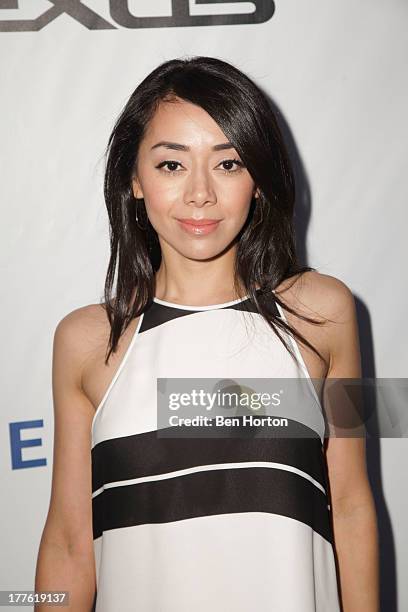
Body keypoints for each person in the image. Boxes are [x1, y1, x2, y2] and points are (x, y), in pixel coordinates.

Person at [35, 56, 379, 611]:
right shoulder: (85, 341)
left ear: (260, 181)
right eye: (172, 165)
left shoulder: (326, 312)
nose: (200, 194)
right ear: (134, 180)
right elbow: (69, 543)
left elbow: (354, 504)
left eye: (229, 163)